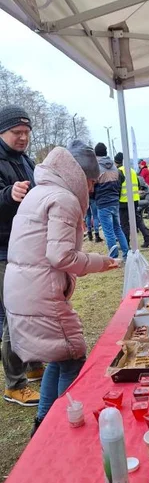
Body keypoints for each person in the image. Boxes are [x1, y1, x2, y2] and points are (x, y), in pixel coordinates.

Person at [4, 142, 118, 434]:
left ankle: (43, 422)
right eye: (91, 181)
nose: (92, 189)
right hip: (39, 291)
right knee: (73, 354)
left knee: (59, 353)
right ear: (80, 177)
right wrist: (100, 262)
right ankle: (65, 426)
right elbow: (61, 256)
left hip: (25, 287)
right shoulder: (63, 199)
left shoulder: (40, 191)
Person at [0, 105, 44, 406]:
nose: (23, 138)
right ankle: (14, 384)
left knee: (32, 306)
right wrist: (7, 194)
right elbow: (7, 194)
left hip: (25, 244)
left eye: (27, 133)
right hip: (3, 249)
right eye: (17, 133)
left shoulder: (25, 159)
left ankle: (32, 364)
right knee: (14, 314)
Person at [94, 142, 128, 260]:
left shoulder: (96, 167)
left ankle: (113, 257)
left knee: (108, 231)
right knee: (117, 228)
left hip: (103, 203)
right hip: (115, 201)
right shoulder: (114, 167)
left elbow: (92, 185)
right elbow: (121, 180)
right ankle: (126, 253)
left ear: (96, 154)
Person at [114, 152, 149, 249]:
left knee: (124, 224)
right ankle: (147, 238)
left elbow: (117, 187)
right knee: (137, 220)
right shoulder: (132, 171)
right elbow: (138, 185)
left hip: (123, 201)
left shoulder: (119, 171)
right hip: (134, 199)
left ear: (116, 162)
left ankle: (126, 243)